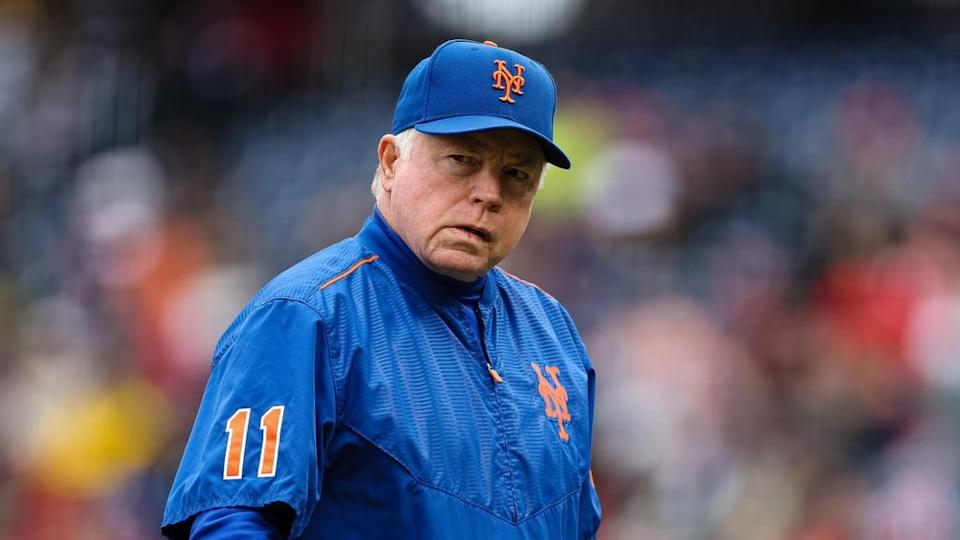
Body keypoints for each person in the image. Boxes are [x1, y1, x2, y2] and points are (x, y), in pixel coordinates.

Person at [161, 38, 602, 539]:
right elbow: (234, 523)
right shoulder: (305, 317)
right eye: (461, 159)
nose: (488, 193)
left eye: (516, 174)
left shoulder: (553, 334)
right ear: (391, 162)